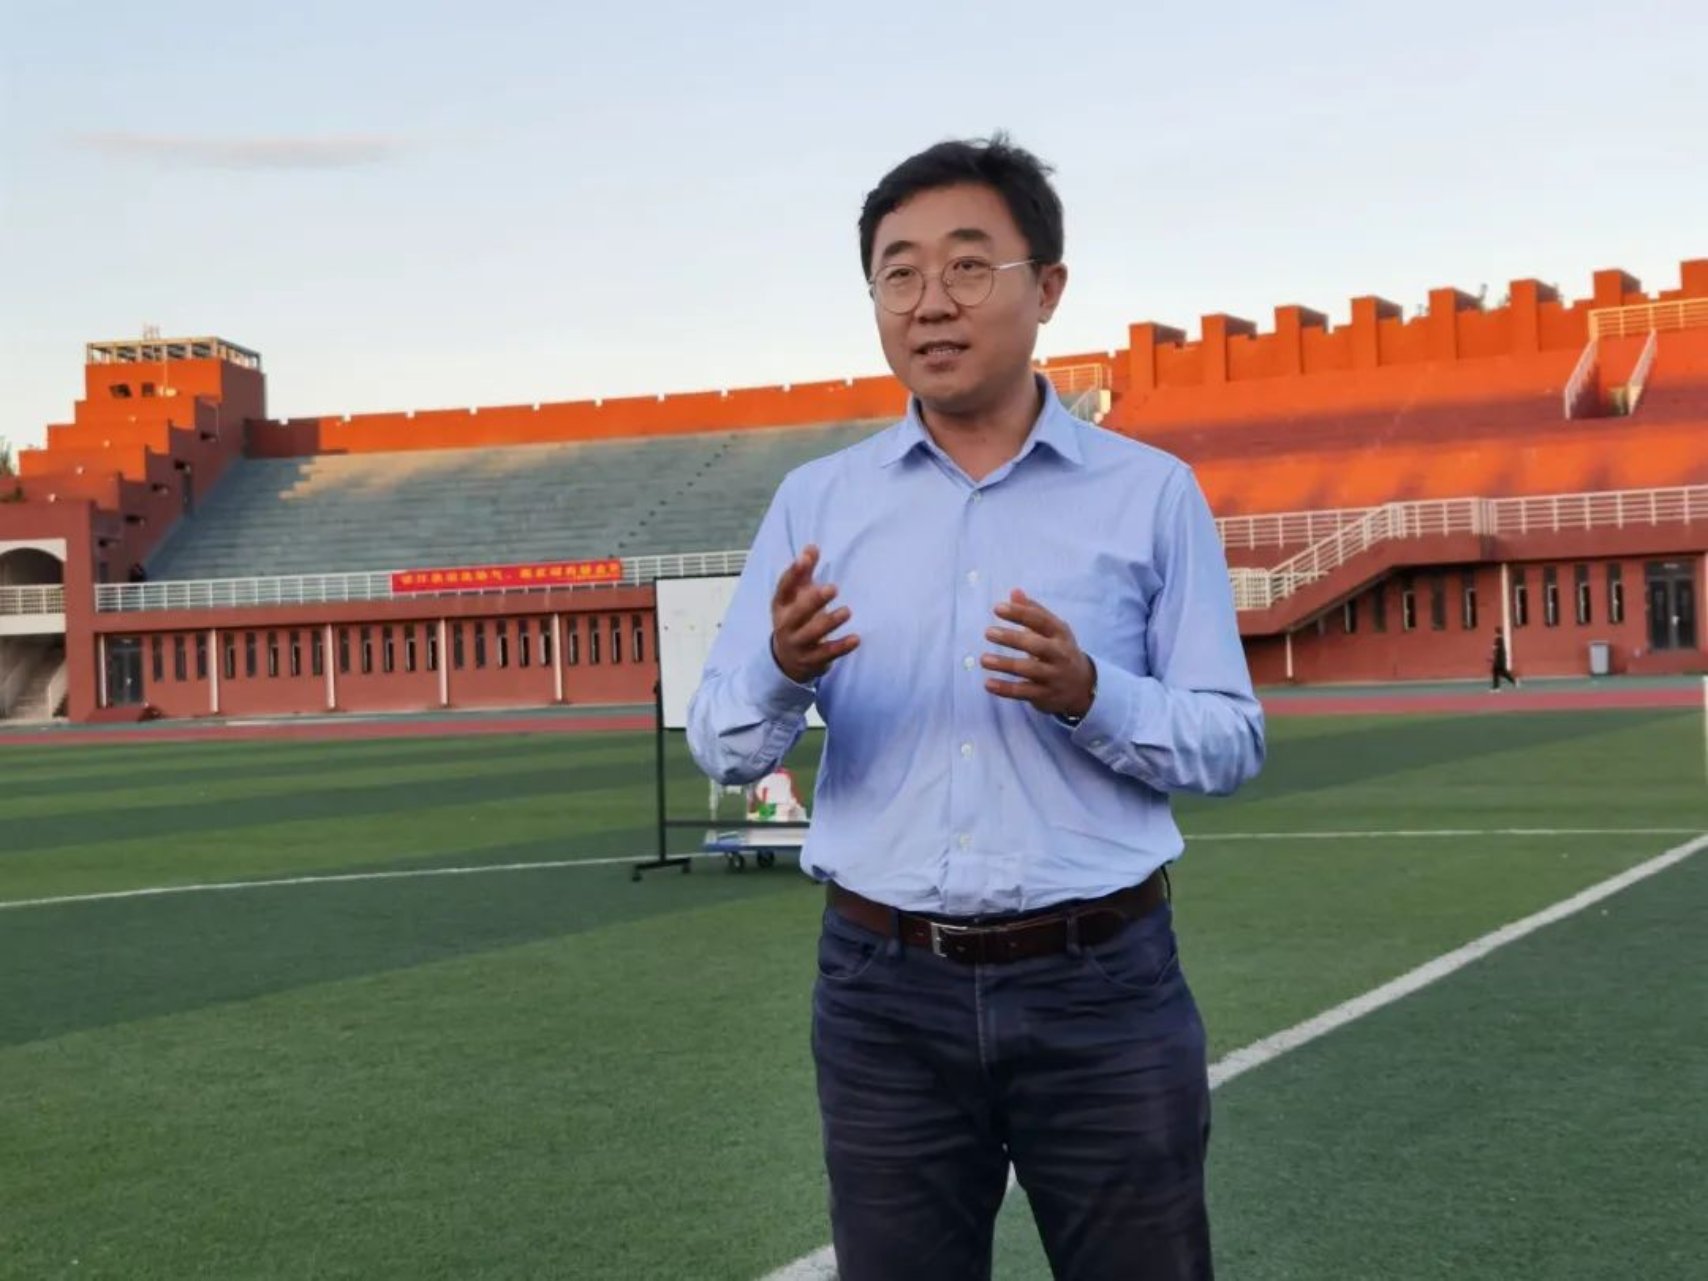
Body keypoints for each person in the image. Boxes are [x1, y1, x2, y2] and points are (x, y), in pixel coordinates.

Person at [687, 133, 1265, 1281]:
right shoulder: (816, 503)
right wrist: (780, 667)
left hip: (1100, 986)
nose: (930, 302)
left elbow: (1229, 740)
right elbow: (723, 744)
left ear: (1046, 287)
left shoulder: (1149, 494)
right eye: (897, 274)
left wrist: (1091, 696)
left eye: (966, 266)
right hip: (883, 995)